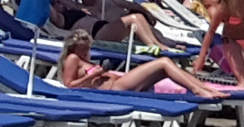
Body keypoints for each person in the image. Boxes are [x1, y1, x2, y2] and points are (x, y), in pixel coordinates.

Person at [59, 30, 232, 97]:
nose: (86, 51)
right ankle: (198, 90)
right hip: (116, 87)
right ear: (75, 47)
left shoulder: (82, 59)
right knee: (163, 62)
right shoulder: (73, 59)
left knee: (165, 69)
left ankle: (205, 88)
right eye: (84, 48)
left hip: (118, 83)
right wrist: (95, 74)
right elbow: (69, 84)